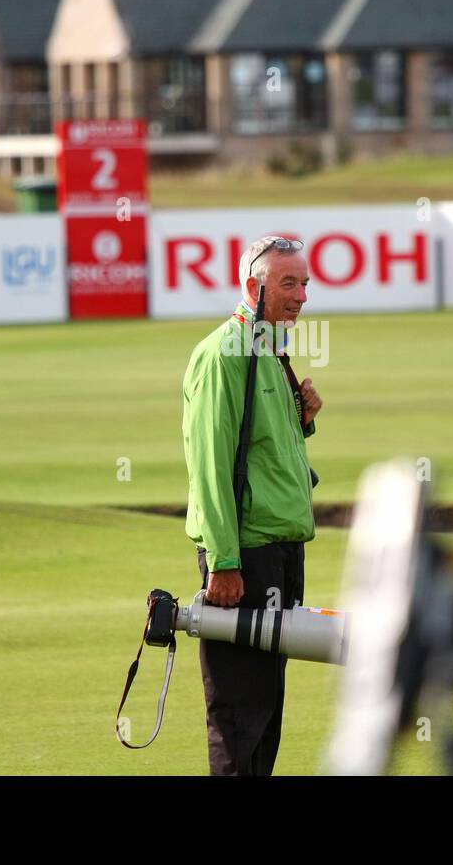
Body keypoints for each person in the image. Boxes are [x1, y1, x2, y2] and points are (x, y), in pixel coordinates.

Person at [181, 235, 323, 775]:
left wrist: (305, 417)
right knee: (241, 716)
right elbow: (210, 466)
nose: (302, 295)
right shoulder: (223, 354)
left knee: (266, 714)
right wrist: (223, 561)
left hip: (281, 554)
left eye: (305, 282)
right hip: (246, 555)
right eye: (289, 282)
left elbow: (266, 452)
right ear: (252, 287)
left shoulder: (270, 347)